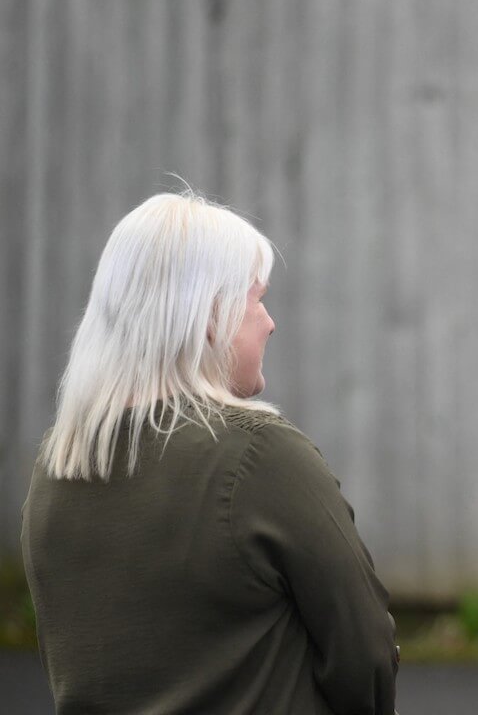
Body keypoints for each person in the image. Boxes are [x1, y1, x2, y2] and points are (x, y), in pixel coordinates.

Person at [20, 192, 399, 714]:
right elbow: (366, 649)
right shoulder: (260, 454)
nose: (269, 322)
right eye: (256, 298)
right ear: (209, 312)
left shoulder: (56, 466)